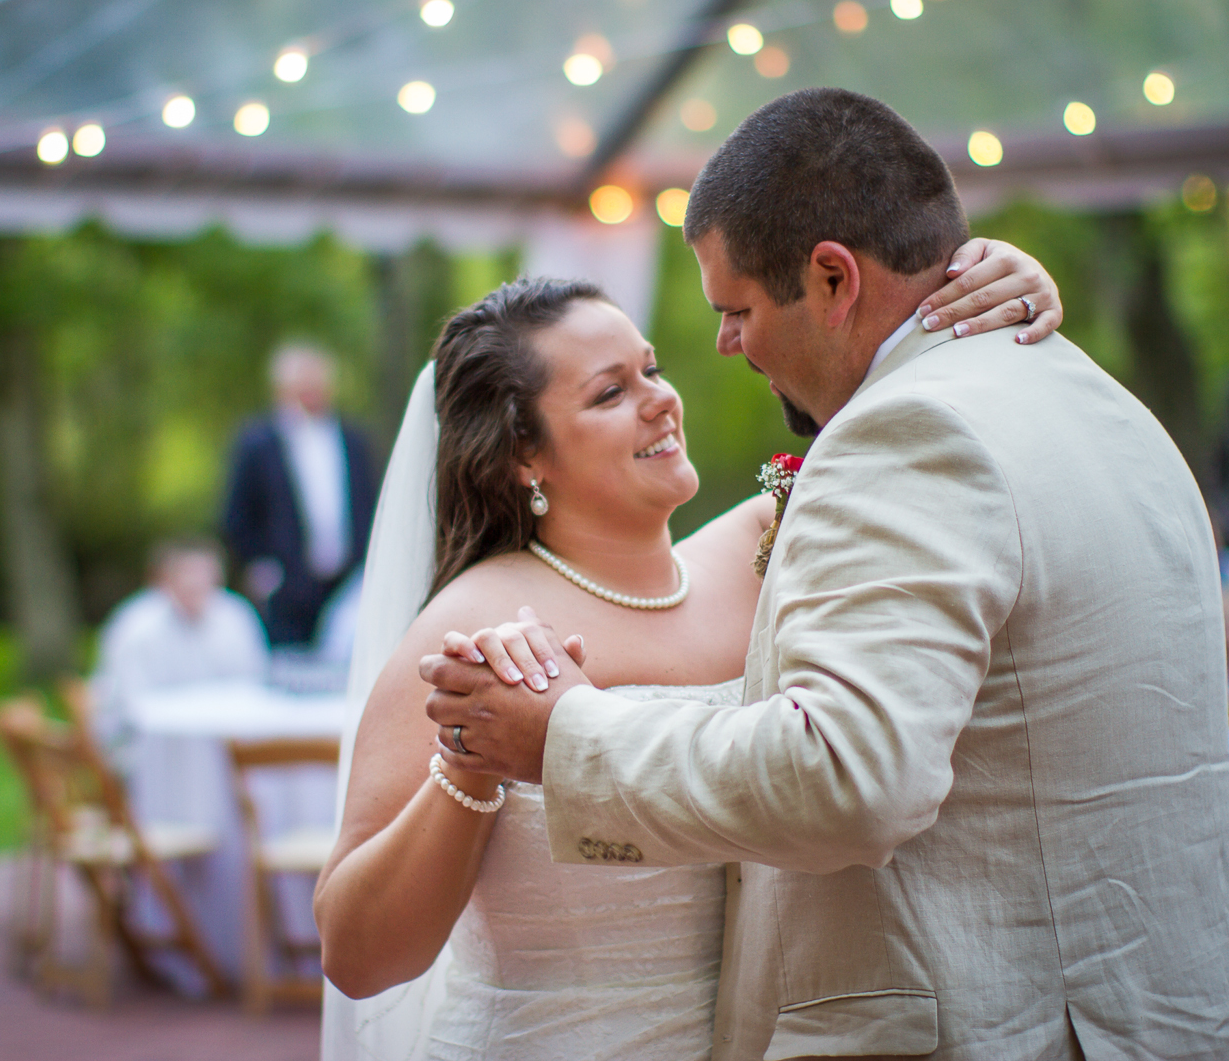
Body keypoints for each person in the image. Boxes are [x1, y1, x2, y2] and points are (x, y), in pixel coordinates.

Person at [423, 89, 1229, 1059]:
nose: (722, 348)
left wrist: (565, 731)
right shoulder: (1107, 408)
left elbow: (849, 775)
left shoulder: (903, 436)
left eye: (735, 309)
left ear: (829, 278)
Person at [314, 230, 1064, 1058]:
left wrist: (995, 289)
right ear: (524, 457)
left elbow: (919, 444)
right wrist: (466, 769)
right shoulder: (473, 627)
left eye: (653, 370)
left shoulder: (767, 544)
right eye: (609, 394)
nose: (661, 400)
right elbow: (356, 954)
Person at [222, 343, 378, 646]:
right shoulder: (257, 442)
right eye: (302, 385)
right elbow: (237, 514)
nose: (311, 392)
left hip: (348, 584)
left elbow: (368, 503)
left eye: (317, 384)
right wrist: (263, 565)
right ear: (282, 388)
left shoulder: (353, 439)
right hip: (287, 585)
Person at [90, 537, 268, 760]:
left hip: (225, 739)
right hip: (146, 747)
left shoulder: (235, 616)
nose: (195, 583)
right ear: (164, 579)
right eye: (187, 574)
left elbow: (253, 681)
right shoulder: (137, 625)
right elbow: (126, 703)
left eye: (203, 575)